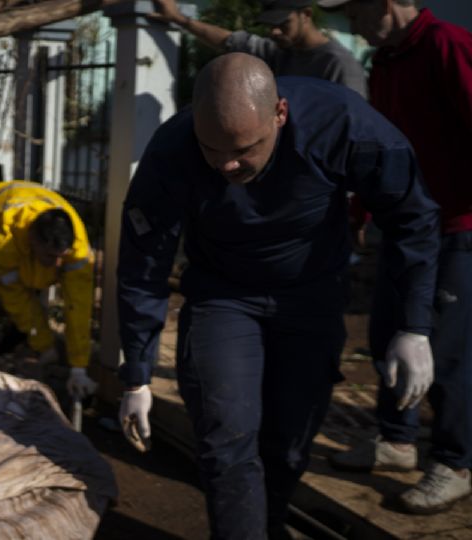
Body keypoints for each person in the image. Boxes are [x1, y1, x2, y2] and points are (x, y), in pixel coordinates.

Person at [116, 53, 439, 539]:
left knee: (288, 445)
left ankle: (266, 525)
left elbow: (412, 217)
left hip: (311, 295)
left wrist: (413, 325)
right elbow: (143, 264)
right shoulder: (173, 150)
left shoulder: (343, 125)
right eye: (211, 148)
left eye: (245, 149)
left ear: (280, 114)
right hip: (223, 295)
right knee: (227, 440)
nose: (227, 164)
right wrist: (137, 375)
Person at [319, 0, 472, 515]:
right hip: (404, 228)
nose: (351, 25)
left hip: (456, 227)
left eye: (353, 13)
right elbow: (379, 149)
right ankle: (397, 441)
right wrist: (362, 211)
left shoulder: (446, 45)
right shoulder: (385, 60)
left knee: (446, 350)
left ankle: (455, 463)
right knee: (388, 335)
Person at [0, 181, 98, 400]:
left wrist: (79, 367)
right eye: (50, 256)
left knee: (30, 307)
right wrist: (44, 344)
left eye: (61, 257)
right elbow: (18, 301)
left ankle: (3, 350)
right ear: (33, 241)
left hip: (27, 213)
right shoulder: (1, 241)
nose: (58, 264)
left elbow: (79, 306)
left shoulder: (77, 248)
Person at [149, 0, 367, 98]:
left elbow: (355, 124)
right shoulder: (279, 52)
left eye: (283, 24)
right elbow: (228, 40)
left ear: (306, 15)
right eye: (271, 26)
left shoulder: (338, 64)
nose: (275, 32)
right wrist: (179, 19)